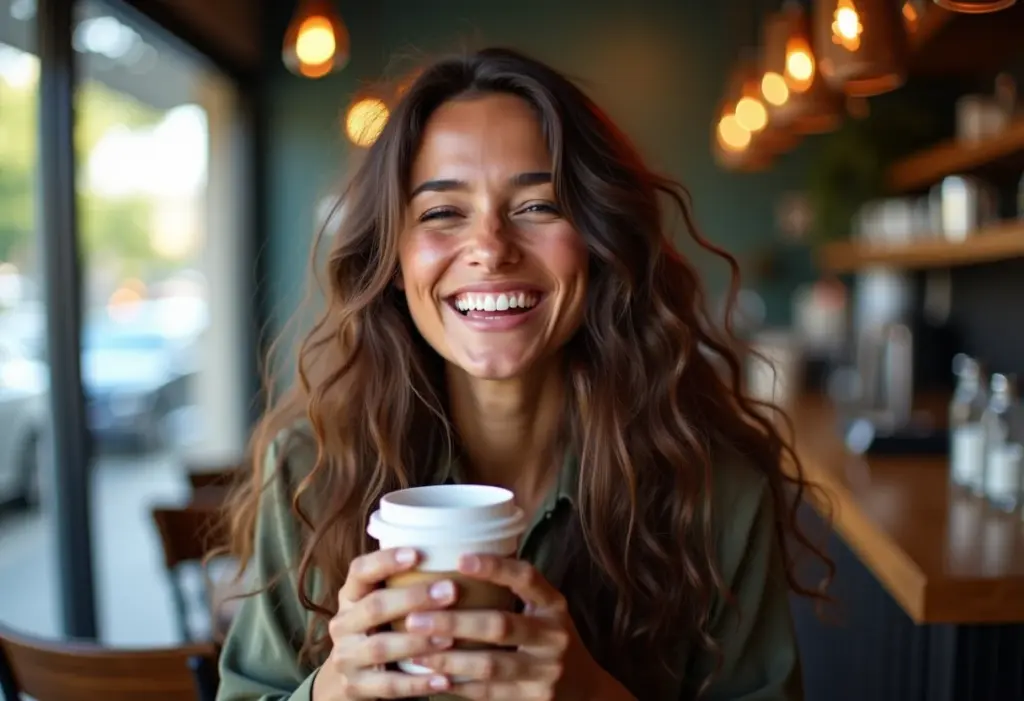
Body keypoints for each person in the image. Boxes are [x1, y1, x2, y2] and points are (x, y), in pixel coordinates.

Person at [216, 47, 829, 701]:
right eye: (442, 213)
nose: (490, 248)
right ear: (394, 260)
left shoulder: (713, 485)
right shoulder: (314, 469)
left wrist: (594, 694)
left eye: (537, 206)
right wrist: (331, 690)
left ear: (599, 239)